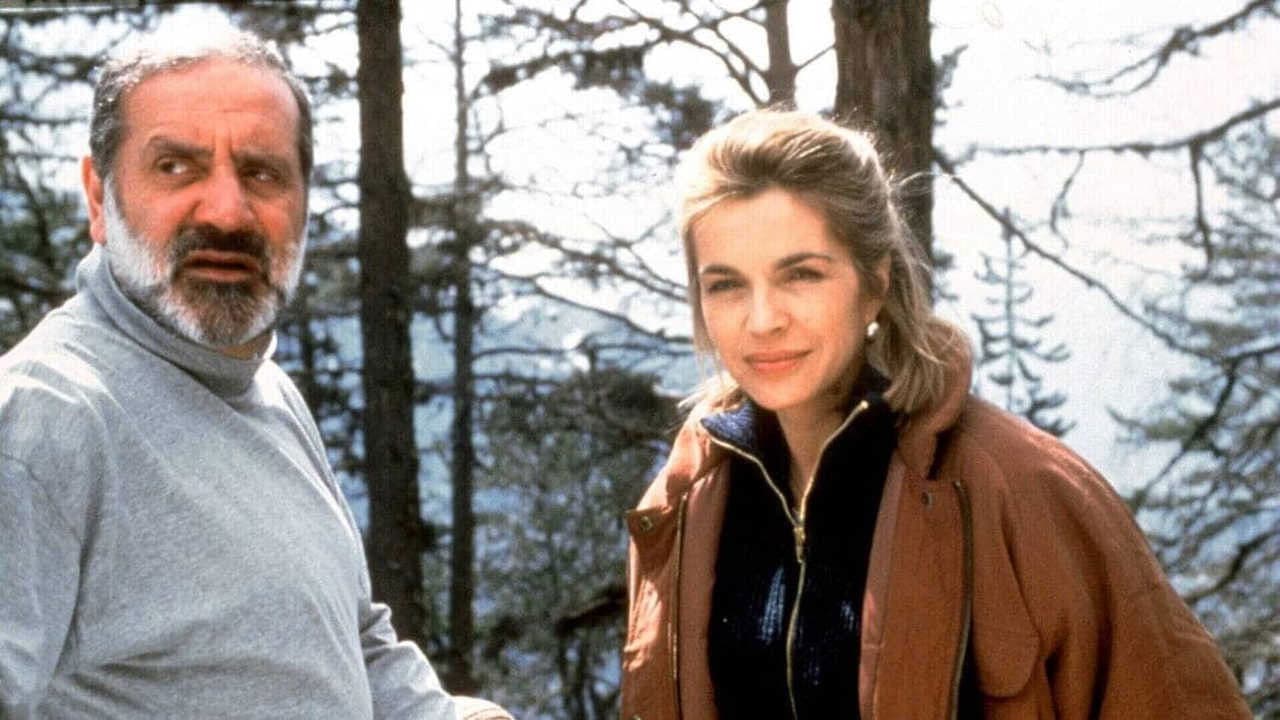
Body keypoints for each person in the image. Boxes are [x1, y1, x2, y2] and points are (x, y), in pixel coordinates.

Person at [620, 109, 1251, 719]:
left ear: (875, 282)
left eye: (802, 275)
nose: (762, 320)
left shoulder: (1023, 489)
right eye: (726, 285)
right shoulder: (686, 501)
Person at [0, 29, 508, 720]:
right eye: (176, 167)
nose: (227, 212)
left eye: (263, 173)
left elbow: (351, 641)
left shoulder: (262, 386)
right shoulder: (44, 416)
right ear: (98, 196)